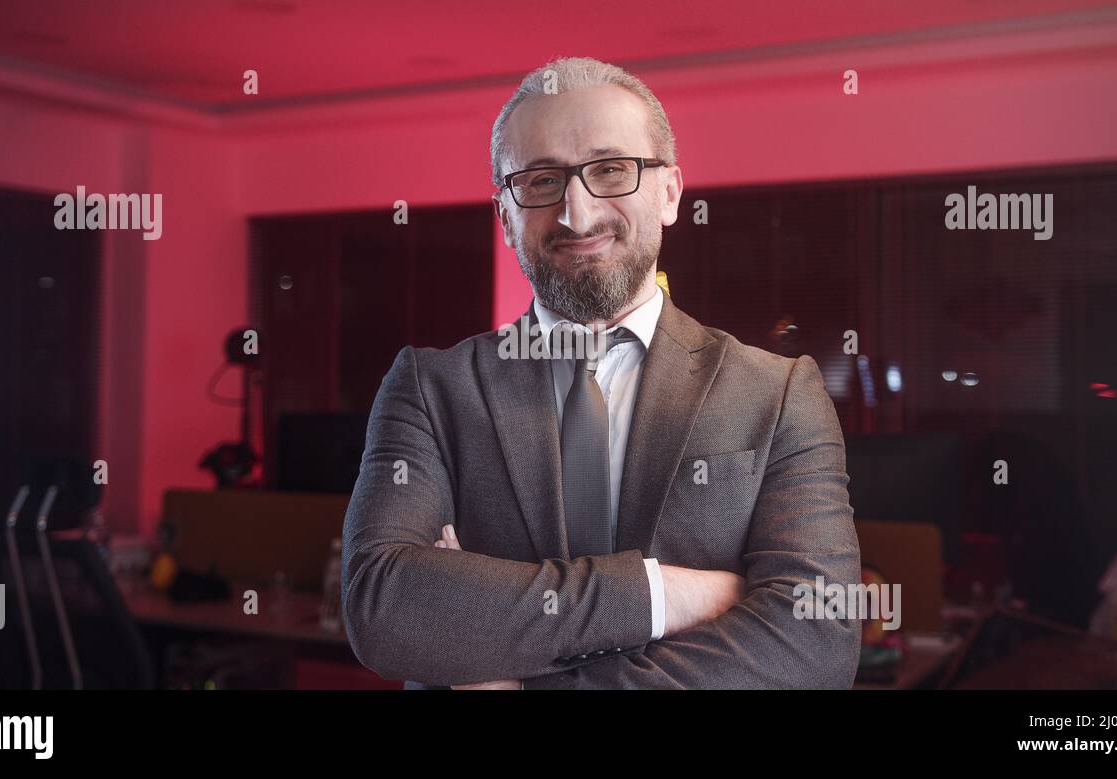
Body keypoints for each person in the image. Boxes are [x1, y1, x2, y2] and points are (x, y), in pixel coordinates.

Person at [341, 56, 861, 689]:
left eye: (611, 170)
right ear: (506, 213)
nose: (577, 215)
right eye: (539, 181)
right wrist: (660, 594)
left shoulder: (777, 394)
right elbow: (384, 611)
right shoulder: (431, 389)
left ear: (669, 192)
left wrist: (504, 660)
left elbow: (815, 640)